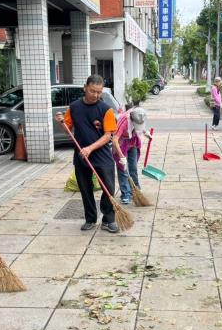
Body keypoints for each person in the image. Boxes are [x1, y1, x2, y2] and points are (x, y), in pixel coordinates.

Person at [55, 75, 119, 233]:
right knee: (85, 189)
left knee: (108, 188)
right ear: (85, 88)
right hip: (81, 155)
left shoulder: (105, 109)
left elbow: (107, 135)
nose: (96, 95)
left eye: (99, 92)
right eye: (92, 91)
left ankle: (108, 220)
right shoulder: (74, 107)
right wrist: (61, 122)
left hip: (102, 155)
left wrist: (90, 148)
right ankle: (90, 218)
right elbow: (68, 131)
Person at [112, 107, 152, 204]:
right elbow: (114, 140)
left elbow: (140, 126)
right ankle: (126, 193)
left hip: (132, 142)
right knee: (123, 169)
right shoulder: (124, 121)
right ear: (132, 120)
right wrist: (121, 156)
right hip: (121, 143)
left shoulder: (139, 116)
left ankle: (136, 190)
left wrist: (145, 133)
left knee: (133, 167)